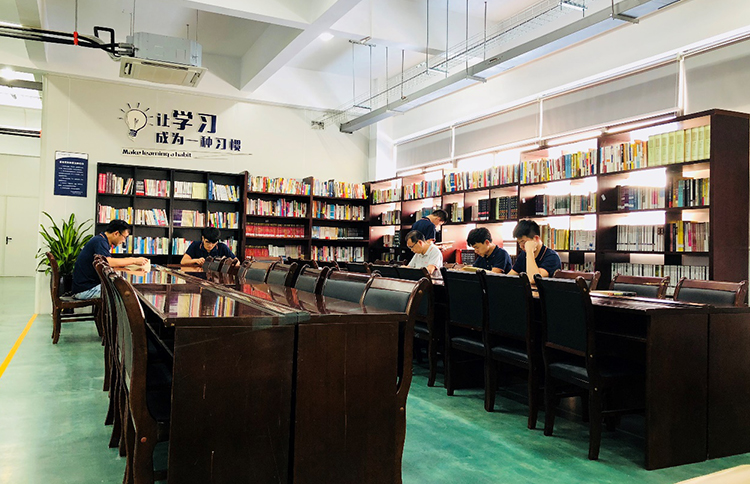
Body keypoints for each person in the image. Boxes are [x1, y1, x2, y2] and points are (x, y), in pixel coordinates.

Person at [71, 219, 149, 299]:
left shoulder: (101, 240)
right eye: (124, 237)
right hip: (85, 290)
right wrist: (134, 260)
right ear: (116, 233)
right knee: (125, 293)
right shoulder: (100, 242)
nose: (124, 241)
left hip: (87, 287)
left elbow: (108, 263)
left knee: (123, 290)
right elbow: (108, 262)